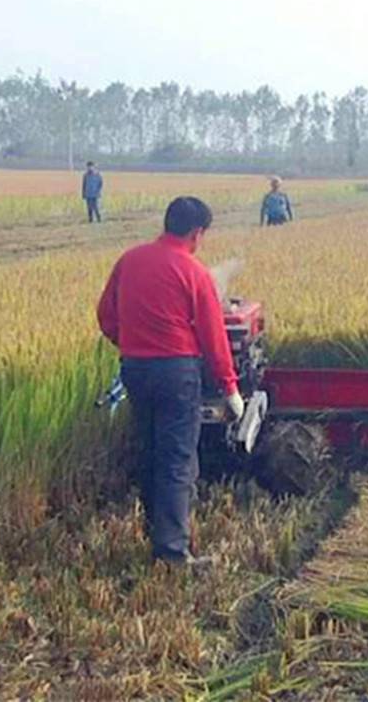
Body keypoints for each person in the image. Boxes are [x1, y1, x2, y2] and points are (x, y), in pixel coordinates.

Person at [96, 197, 244, 566]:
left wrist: (129, 342)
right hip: (177, 374)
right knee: (177, 459)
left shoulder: (129, 260)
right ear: (197, 233)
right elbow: (213, 337)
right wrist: (230, 388)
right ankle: (172, 552)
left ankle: (155, 534)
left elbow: (105, 315)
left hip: (135, 369)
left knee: (149, 450)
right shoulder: (193, 272)